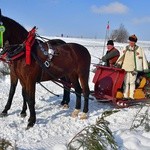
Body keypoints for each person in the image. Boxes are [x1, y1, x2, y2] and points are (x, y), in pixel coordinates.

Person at [116, 34, 149, 99]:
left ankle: (131, 96)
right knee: (126, 82)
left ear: (135, 42)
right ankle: (125, 95)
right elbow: (121, 57)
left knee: (132, 82)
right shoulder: (125, 48)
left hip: (134, 69)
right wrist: (118, 64)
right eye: (130, 41)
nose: (131, 42)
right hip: (125, 68)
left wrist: (145, 68)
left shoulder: (139, 49)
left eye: (133, 41)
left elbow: (144, 59)